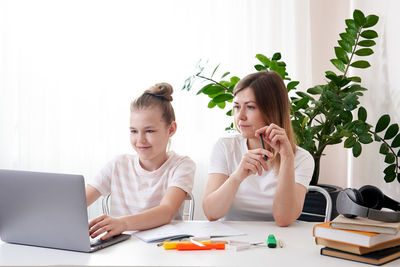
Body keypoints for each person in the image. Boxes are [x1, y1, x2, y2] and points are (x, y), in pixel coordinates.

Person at [202, 71, 314, 226]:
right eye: (236, 107)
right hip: (231, 241)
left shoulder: (302, 158)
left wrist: (287, 158)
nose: (240, 116)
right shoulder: (225, 147)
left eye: (250, 107)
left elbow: (284, 219)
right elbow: (211, 213)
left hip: (277, 242)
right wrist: (237, 176)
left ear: (272, 110)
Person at [86, 83, 195, 240]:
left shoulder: (182, 165)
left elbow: (166, 211)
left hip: (163, 249)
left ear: (171, 129)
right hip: (121, 250)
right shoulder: (118, 164)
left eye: (149, 131)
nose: (140, 140)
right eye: (134, 131)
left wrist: (122, 223)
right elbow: (79, 202)